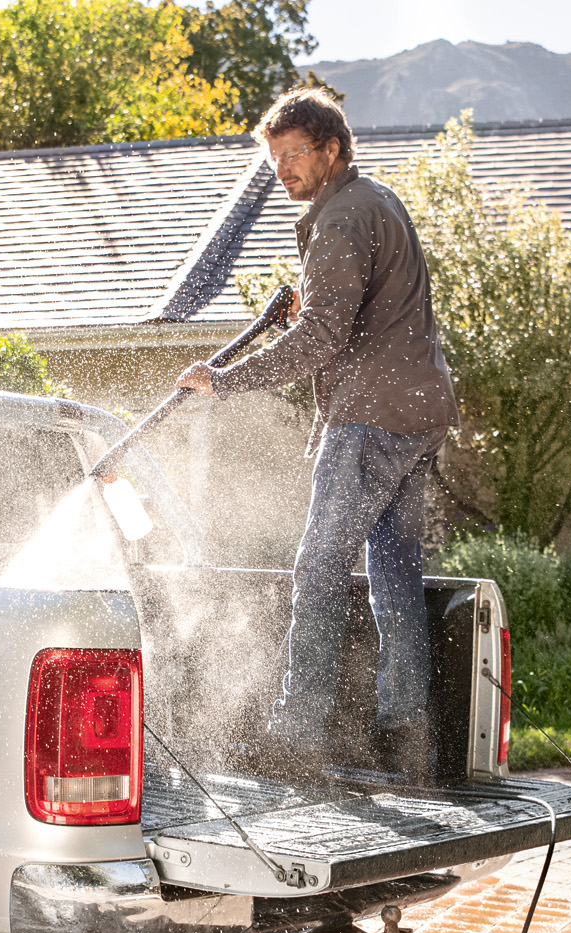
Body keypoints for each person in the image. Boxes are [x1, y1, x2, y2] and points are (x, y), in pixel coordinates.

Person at [176, 88, 458, 782]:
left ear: (331, 148)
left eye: (294, 154)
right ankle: (405, 726)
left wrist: (224, 378)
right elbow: (362, 308)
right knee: (393, 571)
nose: (283, 170)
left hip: (370, 416)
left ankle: (297, 731)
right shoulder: (378, 202)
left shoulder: (339, 219)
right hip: (420, 411)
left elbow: (324, 336)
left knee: (320, 568)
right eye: (275, 158)